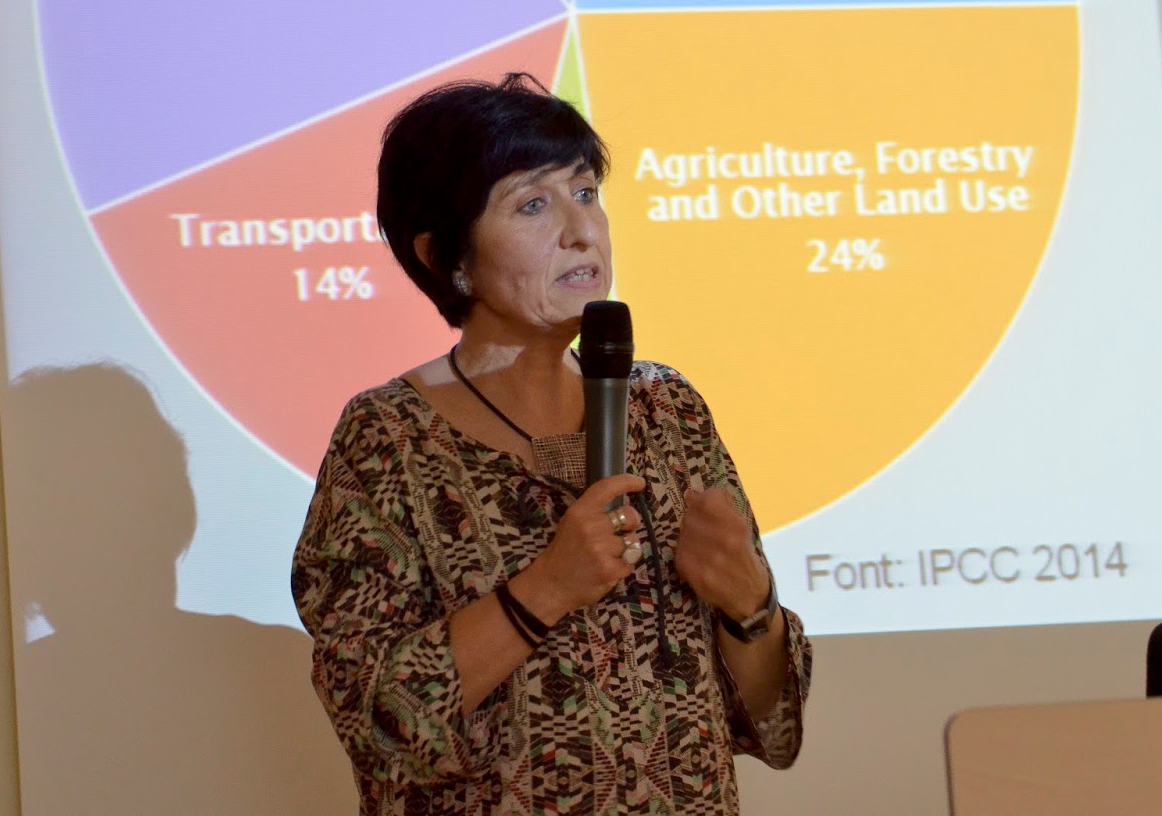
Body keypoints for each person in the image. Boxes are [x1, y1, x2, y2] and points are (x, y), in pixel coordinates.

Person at [291, 73, 811, 814]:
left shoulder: (669, 409)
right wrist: (549, 586)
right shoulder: (388, 439)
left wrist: (750, 605)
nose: (581, 230)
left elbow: (773, 726)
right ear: (446, 256)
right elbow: (379, 722)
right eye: (533, 204)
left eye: (586, 192)